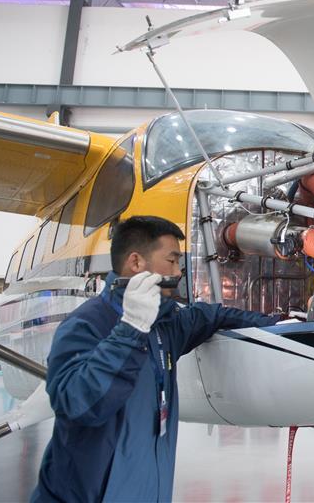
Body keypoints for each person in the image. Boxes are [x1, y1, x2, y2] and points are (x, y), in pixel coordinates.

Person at [31, 215, 279, 502]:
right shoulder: (84, 325)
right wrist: (130, 330)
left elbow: (210, 316)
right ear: (136, 262)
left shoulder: (165, 324)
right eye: (171, 261)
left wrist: (278, 323)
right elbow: (79, 404)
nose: (178, 271)